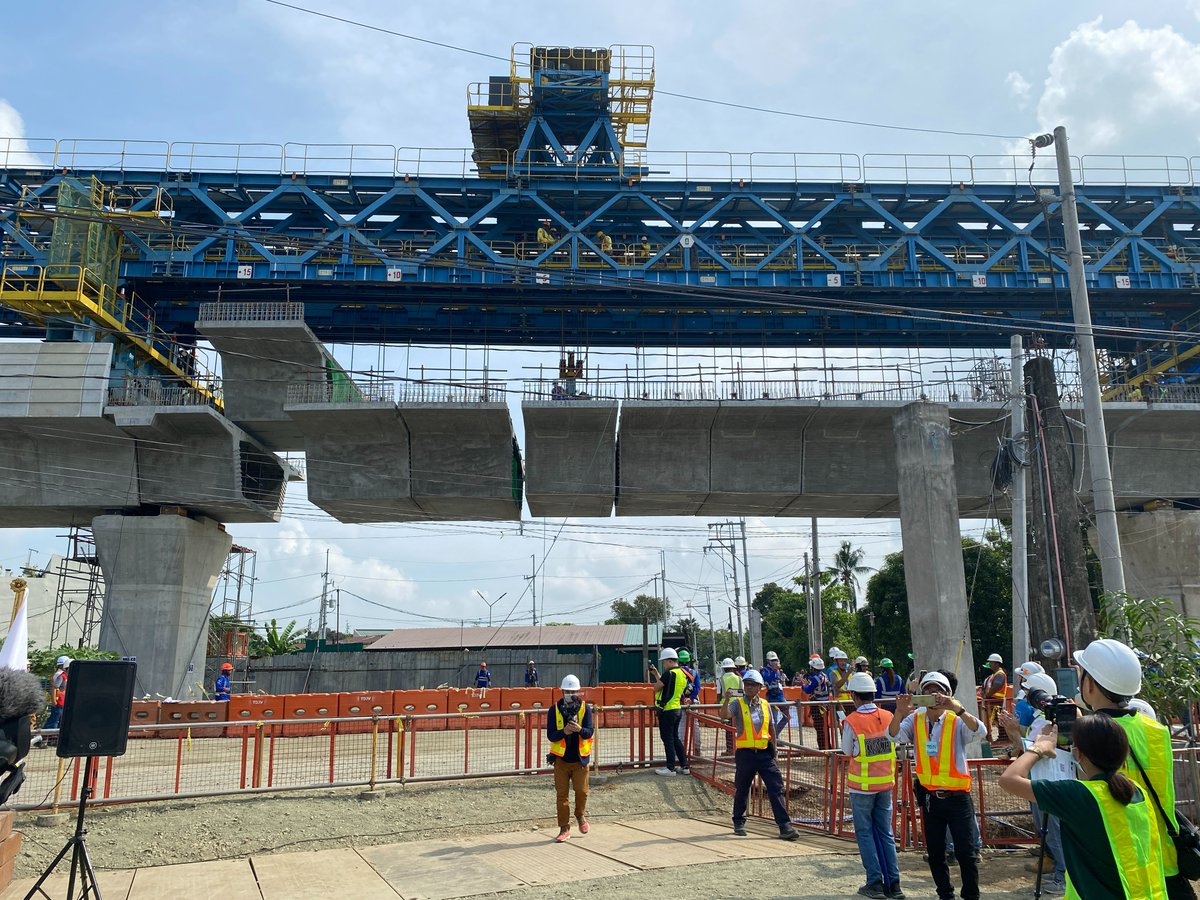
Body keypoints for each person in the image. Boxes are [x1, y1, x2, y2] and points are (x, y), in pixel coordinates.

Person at [1074, 637, 1195, 900]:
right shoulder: (1157, 730)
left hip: (1122, 863)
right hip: (1163, 856)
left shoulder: (1092, 736)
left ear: (1090, 683)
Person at [998, 713, 1167, 900]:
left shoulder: (1080, 795)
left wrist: (1039, 747)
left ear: (1078, 754)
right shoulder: (1137, 791)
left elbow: (1008, 779)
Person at [889, 670, 985, 900]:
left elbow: (979, 731)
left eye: (939, 691)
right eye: (928, 690)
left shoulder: (956, 719)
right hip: (931, 798)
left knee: (966, 853)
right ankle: (945, 894)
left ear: (948, 694)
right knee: (935, 853)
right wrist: (899, 713)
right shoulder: (916, 719)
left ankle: (971, 895)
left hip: (958, 798)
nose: (933, 695)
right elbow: (894, 736)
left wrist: (958, 709)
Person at [998, 672, 1067, 894]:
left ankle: (1063, 877)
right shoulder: (1041, 719)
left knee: (1054, 831)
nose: (1026, 697)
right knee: (1047, 829)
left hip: (1048, 782)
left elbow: (1035, 749)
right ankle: (1058, 869)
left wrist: (1013, 733)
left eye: (1029, 693)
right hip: (1040, 781)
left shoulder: (1047, 721)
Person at [842, 671, 903, 899]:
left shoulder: (852, 721)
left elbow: (847, 751)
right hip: (885, 784)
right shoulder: (888, 716)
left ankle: (875, 882)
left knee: (865, 834)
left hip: (861, 788)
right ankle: (894, 885)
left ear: (854, 695)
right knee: (886, 834)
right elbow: (896, 742)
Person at [721, 669, 800, 841]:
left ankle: (785, 826)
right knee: (742, 788)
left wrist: (775, 750)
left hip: (765, 753)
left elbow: (771, 727)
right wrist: (726, 700)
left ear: (759, 687)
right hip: (745, 754)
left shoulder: (765, 704)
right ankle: (738, 822)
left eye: (752, 685)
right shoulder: (738, 704)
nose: (749, 687)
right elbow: (724, 716)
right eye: (746, 684)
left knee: (776, 788)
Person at [547, 674, 594, 843]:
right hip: (561, 760)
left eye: (573, 691)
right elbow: (551, 735)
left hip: (580, 760)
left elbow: (589, 732)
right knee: (562, 796)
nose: (570, 694)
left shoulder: (585, 709)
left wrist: (579, 729)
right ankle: (564, 828)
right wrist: (564, 732)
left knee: (582, 792)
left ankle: (580, 815)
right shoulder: (554, 709)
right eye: (567, 691)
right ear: (562, 691)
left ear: (578, 692)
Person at [648, 647, 688, 775]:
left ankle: (670, 768)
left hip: (667, 710)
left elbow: (657, 688)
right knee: (675, 738)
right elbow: (667, 686)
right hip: (677, 709)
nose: (663, 664)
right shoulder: (681, 673)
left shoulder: (669, 673)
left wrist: (657, 677)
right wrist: (656, 674)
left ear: (670, 661)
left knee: (668, 739)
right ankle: (685, 766)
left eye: (664, 662)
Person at [799, 656, 831, 750]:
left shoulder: (816, 678)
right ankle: (827, 745)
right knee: (825, 726)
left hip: (817, 704)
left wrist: (803, 685)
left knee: (819, 726)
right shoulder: (825, 676)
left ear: (813, 668)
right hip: (825, 703)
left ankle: (823, 747)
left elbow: (808, 690)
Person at [981, 653, 1008, 743]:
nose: (990, 664)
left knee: (998, 719)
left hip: (996, 701)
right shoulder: (995, 674)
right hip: (994, 700)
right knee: (996, 719)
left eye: (991, 662)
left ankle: (1003, 738)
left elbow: (997, 685)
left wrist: (988, 694)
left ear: (997, 663)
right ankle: (1002, 737)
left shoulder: (1000, 674)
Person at [718, 657, 742, 754]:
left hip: (726, 707)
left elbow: (718, 695)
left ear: (724, 669)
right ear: (733, 668)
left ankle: (730, 750)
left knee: (729, 730)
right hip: (739, 706)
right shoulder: (739, 678)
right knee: (740, 728)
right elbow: (742, 692)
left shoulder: (720, 680)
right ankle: (740, 748)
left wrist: (718, 708)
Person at [45, 656, 70, 744]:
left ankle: (54, 739)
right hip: (59, 702)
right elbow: (54, 688)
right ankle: (44, 738)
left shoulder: (65, 675)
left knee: (60, 721)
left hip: (63, 702)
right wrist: (54, 700)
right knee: (54, 720)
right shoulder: (60, 675)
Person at [761, 651, 787, 724]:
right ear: (768, 661)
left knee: (787, 716)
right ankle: (774, 731)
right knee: (773, 720)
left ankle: (777, 731)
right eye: (772, 660)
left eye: (776, 660)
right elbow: (767, 679)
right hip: (772, 697)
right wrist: (774, 670)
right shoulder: (765, 670)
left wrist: (776, 670)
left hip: (780, 696)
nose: (775, 662)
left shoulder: (778, 670)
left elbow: (778, 680)